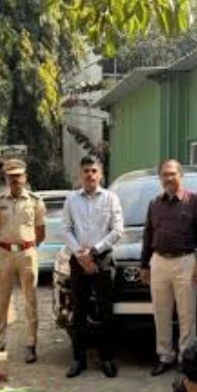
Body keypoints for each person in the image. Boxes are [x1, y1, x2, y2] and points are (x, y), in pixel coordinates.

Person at [141, 159, 197, 376]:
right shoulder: (154, 203)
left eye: (172, 173)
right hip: (159, 262)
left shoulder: (195, 201)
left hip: (185, 261)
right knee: (160, 312)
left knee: (187, 313)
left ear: (181, 175)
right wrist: (144, 265)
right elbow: (148, 235)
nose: (168, 178)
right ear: (160, 178)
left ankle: (186, 358)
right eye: (164, 174)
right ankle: (165, 355)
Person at [61, 155, 123, 378]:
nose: (90, 175)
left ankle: (107, 358)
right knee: (79, 310)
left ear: (101, 174)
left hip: (102, 258)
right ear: (80, 174)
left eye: (94, 171)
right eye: (86, 171)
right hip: (78, 260)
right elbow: (66, 229)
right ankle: (79, 359)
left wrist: (94, 252)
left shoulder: (110, 198)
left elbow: (117, 230)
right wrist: (80, 254)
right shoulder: (71, 200)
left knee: (105, 310)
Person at [0, 158, 46, 362]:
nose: (15, 179)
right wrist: (8, 244)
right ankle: (0, 342)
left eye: (18, 176)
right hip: (4, 253)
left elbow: (41, 232)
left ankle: (31, 344)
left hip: (27, 254)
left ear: (25, 177)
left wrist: (26, 246)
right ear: (6, 178)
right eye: (11, 176)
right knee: (2, 300)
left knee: (30, 300)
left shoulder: (35, 201)